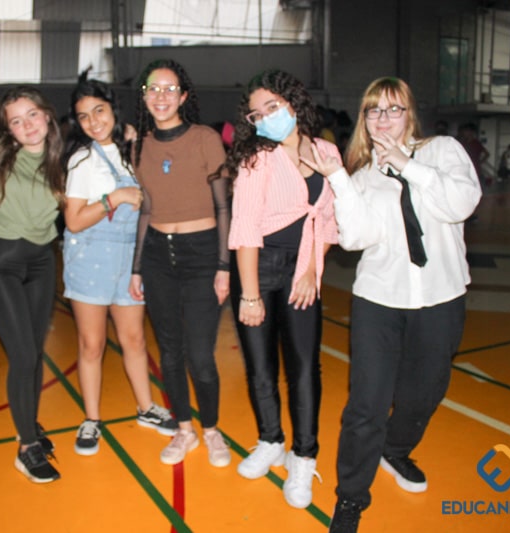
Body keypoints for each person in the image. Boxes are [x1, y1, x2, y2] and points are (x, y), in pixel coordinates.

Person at [303, 77, 481, 532]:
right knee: (367, 404)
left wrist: (407, 164)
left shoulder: (442, 152)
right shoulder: (363, 176)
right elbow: (357, 238)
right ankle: (350, 496)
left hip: (440, 297)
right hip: (379, 300)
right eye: (374, 110)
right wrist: (338, 178)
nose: (383, 118)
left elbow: (461, 204)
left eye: (393, 109)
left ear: (409, 114)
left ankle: (396, 450)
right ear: (364, 119)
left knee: (424, 393)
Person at [219, 69, 340, 509]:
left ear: (293, 102)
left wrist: (310, 270)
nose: (265, 117)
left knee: (305, 368)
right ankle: (270, 439)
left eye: (272, 106)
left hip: (303, 267)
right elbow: (245, 228)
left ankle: (303, 456)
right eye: (256, 114)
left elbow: (328, 220)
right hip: (259, 266)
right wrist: (250, 295)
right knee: (260, 366)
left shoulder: (326, 152)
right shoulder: (257, 159)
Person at [61, 71, 178, 457]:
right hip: (90, 258)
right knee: (91, 344)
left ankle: (146, 408)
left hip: (131, 257)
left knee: (134, 339)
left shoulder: (134, 149)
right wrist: (115, 198)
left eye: (99, 110)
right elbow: (74, 220)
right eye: (84, 116)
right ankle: (91, 418)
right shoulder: (81, 160)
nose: (93, 121)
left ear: (114, 110)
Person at [129, 58, 231, 467]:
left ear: (184, 96)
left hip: (202, 254)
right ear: (144, 96)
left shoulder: (206, 138)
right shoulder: (139, 146)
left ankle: (212, 429)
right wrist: (137, 267)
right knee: (170, 351)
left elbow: (223, 207)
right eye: (153, 88)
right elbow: (145, 210)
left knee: (200, 354)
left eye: (170, 89)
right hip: (157, 255)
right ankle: (185, 429)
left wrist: (224, 266)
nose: (161, 96)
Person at [0, 86, 64, 483]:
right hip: (1, 264)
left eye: (32, 114)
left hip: (43, 261)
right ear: (7, 129)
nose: (26, 125)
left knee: (34, 352)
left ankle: (29, 423)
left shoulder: (62, 158)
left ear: (46, 115)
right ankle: (26, 447)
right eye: (16, 120)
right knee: (23, 354)